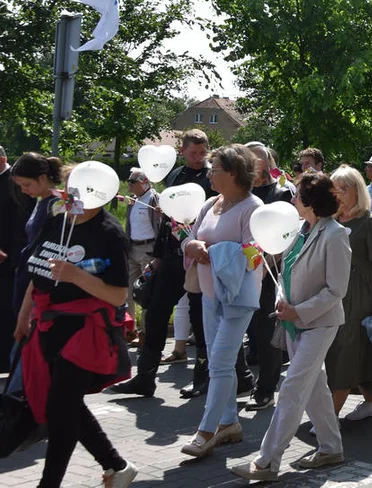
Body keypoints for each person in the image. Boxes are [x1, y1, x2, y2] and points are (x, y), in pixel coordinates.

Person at [16, 168, 138, 488]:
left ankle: (49, 484)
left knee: (60, 411)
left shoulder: (110, 233)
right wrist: (24, 315)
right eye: (69, 189)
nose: (71, 196)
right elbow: (39, 271)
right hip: (49, 328)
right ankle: (117, 466)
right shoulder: (57, 221)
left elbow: (117, 295)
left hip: (87, 333)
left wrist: (77, 276)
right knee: (66, 405)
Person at [229, 173, 350, 481]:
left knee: (292, 388)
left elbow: (336, 290)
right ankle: (331, 447)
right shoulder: (299, 230)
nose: (293, 199)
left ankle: (267, 461)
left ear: (311, 202)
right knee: (315, 390)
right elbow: (286, 274)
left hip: (320, 323)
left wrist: (299, 311)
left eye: (298, 195)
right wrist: (282, 302)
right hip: (294, 323)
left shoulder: (336, 235)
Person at [113, 130, 223, 399]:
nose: (198, 158)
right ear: (182, 151)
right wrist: (158, 256)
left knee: (201, 318)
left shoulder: (213, 179)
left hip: (201, 258)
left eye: (202, 152)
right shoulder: (173, 176)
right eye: (193, 152)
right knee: (156, 311)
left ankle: (203, 378)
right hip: (173, 257)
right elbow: (165, 223)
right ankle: (145, 377)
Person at [180, 145, 263, 458]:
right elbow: (189, 236)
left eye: (215, 168)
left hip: (238, 297)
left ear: (233, 173)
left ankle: (206, 431)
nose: (209, 172)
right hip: (209, 294)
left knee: (219, 363)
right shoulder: (211, 203)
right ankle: (229, 422)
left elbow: (254, 256)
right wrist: (191, 246)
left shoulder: (252, 207)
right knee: (221, 364)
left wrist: (211, 252)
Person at [325, 164, 372, 422]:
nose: (339, 194)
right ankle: (371, 400)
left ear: (358, 191)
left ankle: (330, 416)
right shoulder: (328, 222)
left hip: (359, 296)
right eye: (335, 189)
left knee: (347, 350)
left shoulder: (370, 222)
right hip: (331, 295)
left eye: (345, 188)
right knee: (349, 351)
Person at [242, 142, 293, 411]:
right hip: (240, 272)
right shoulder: (240, 194)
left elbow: (284, 237)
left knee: (264, 333)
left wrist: (263, 265)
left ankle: (266, 388)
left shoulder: (281, 193)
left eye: (258, 158)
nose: (254, 163)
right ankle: (241, 379)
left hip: (268, 274)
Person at [10, 153, 63, 333]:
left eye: (27, 185)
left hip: (40, 284)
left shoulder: (56, 206)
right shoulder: (42, 202)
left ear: (42, 178)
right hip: (28, 275)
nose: (24, 190)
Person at [0, 145, 33, 371]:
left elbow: (22, 225)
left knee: (7, 312)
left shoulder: (16, 185)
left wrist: (10, 254)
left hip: (9, 262)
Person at [124, 167, 160, 340]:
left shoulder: (154, 199)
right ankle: (129, 328)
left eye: (132, 181)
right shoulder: (135, 200)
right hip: (133, 249)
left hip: (148, 249)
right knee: (128, 291)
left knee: (146, 293)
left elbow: (160, 224)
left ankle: (145, 332)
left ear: (144, 183)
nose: (129, 184)